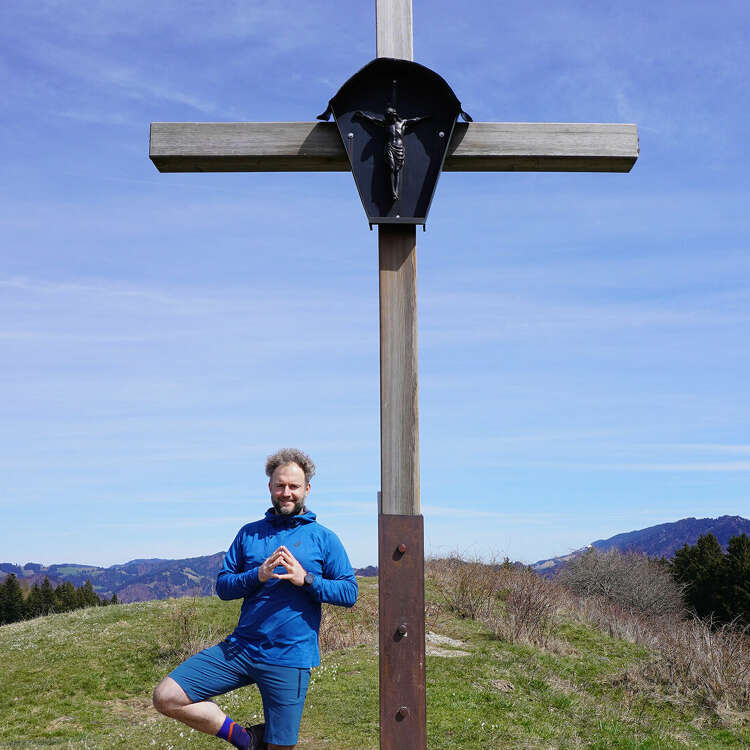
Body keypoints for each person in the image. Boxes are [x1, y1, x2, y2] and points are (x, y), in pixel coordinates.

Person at [153, 449, 358, 750]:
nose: (286, 493)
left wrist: (307, 579)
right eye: (280, 485)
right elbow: (223, 586)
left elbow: (349, 592)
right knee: (166, 697)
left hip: (290, 657)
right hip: (241, 648)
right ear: (270, 487)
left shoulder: (324, 538)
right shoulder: (250, 534)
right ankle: (246, 740)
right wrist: (257, 575)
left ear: (307, 489)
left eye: (294, 486)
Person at [354, 106, 430, 200]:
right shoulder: (385, 124)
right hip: (390, 146)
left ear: (394, 115)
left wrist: (425, 118)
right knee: (391, 167)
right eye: (387, 117)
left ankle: (396, 190)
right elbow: (373, 120)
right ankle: (393, 192)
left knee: (397, 169)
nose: (388, 119)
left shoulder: (402, 122)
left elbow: (415, 120)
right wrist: (363, 116)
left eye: (389, 116)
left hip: (399, 148)